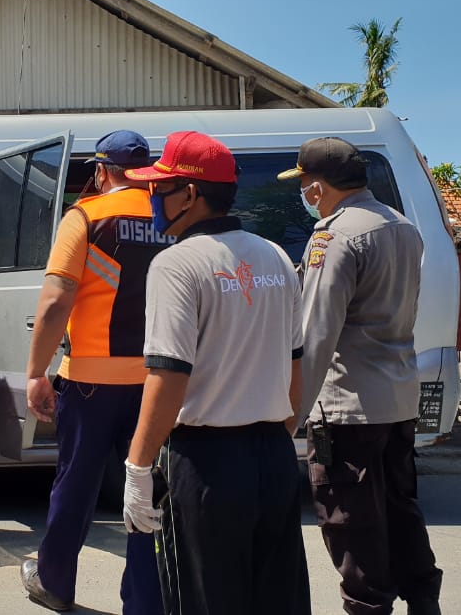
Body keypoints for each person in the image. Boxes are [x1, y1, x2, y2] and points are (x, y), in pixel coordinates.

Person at [123, 131, 311, 614]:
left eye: (159, 189)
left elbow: (167, 378)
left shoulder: (176, 264)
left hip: (208, 464)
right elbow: (295, 367)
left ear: (190, 193)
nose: (153, 200)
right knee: (276, 599)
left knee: (207, 601)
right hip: (273, 455)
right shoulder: (274, 256)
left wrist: (138, 468)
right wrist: (273, 437)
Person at [280, 136, 443, 615]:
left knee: (351, 519)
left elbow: (316, 335)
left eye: (304, 185)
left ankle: (367, 606)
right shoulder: (402, 226)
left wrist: (291, 416)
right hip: (397, 398)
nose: (306, 195)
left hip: (349, 404)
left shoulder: (335, 237)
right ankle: (423, 600)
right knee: (399, 509)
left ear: (315, 189)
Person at [20, 130, 164, 614]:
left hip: (89, 381)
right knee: (145, 487)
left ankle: (55, 581)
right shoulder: (173, 217)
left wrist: (36, 371)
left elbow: (58, 297)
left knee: (76, 484)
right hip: (156, 381)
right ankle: (146, 599)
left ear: (102, 171)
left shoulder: (84, 216)